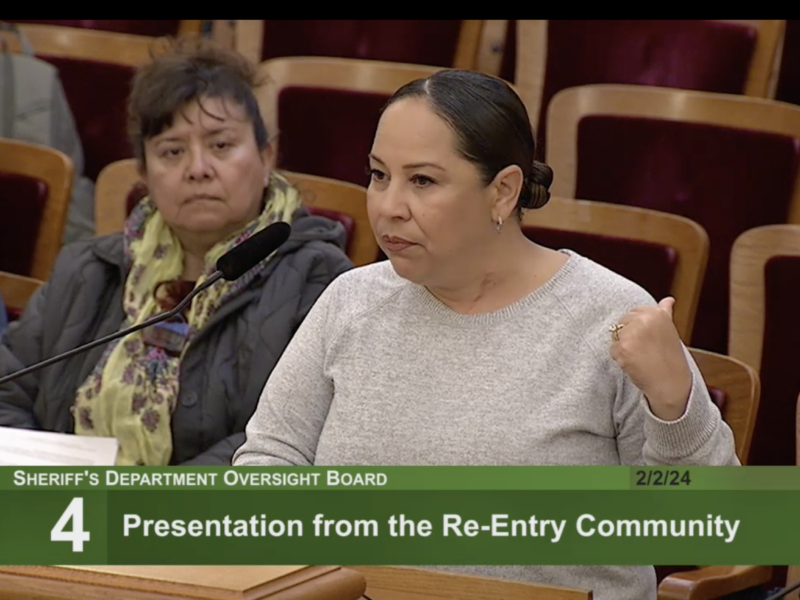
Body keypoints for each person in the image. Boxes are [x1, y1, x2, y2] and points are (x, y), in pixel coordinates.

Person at [232, 70, 738, 599]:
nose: (388, 206)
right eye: (379, 175)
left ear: (503, 191)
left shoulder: (609, 315)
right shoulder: (351, 301)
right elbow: (270, 458)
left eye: (422, 181)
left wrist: (673, 404)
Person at [0, 40, 353, 466]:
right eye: (172, 151)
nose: (198, 168)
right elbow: (8, 389)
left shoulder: (318, 280)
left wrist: (154, 500)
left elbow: (291, 437)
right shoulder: (87, 269)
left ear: (266, 157)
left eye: (221, 146)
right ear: (144, 173)